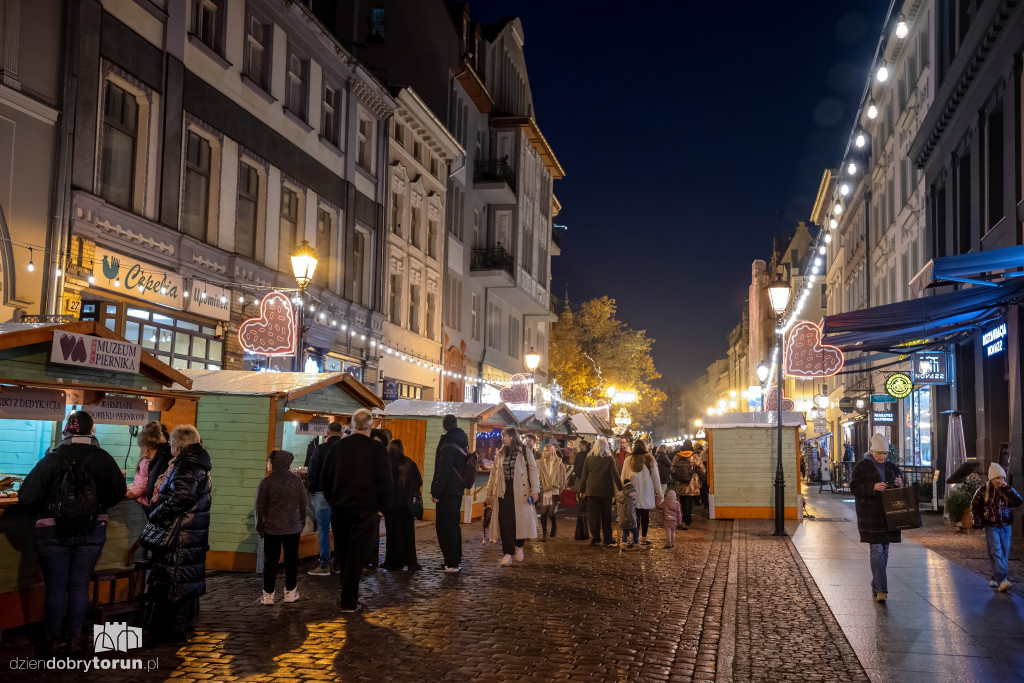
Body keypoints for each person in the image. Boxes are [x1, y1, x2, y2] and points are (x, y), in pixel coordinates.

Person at [19, 411, 126, 656]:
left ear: (67, 430)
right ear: (92, 431)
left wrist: (46, 509)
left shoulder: (52, 458)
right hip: (92, 529)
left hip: (51, 531)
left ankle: (52, 639)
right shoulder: (103, 458)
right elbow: (118, 491)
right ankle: (75, 637)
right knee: (78, 584)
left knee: (56, 585)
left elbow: (26, 496)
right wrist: (98, 505)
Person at [320, 408, 393, 612]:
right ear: (370, 426)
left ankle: (347, 598)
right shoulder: (377, 450)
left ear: (351, 425)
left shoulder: (337, 447)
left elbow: (325, 478)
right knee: (357, 555)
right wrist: (382, 509)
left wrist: (333, 500)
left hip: (341, 509)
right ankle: (349, 600)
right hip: (367, 511)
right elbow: (387, 482)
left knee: (343, 553)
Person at [145, 424, 212, 643]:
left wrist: (157, 514)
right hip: (189, 533)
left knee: (176, 583)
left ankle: (176, 631)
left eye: (173, 443)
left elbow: (182, 497)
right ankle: (180, 628)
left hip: (180, 534)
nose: (171, 447)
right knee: (183, 582)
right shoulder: (195, 464)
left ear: (179, 445)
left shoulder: (186, 465)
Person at [850, 433, 903, 602]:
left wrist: (899, 485)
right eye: (879, 453)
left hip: (889, 516)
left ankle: (875, 583)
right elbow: (854, 487)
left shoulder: (892, 467)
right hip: (870, 515)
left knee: (885, 551)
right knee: (877, 550)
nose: (882, 456)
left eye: (885, 454)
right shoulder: (861, 467)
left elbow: (902, 487)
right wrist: (872, 487)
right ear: (872, 451)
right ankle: (882, 590)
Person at [256, 450, 306, 605]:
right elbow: (303, 504)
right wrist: (301, 522)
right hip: (293, 528)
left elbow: (260, 507)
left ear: (275, 462)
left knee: (270, 562)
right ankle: (290, 592)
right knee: (291, 561)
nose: (268, 463)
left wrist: (260, 526)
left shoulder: (266, 482)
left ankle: (268, 595)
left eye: (270, 460)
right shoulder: (296, 481)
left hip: (272, 529)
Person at [484, 428, 540, 566]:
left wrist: (535, 490)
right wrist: (488, 494)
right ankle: (508, 553)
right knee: (505, 523)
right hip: (503, 492)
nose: (503, 438)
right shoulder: (501, 453)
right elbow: (493, 475)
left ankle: (519, 546)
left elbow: (533, 470)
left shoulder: (525, 451)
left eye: (505, 436)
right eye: (503, 436)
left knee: (520, 521)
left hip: (521, 491)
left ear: (511, 437)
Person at [971, 463, 1023, 592]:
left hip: (1006, 526)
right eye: (998, 478)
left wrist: (1009, 489)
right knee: (996, 550)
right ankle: (1003, 580)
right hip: (991, 526)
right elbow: (975, 507)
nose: (1001, 480)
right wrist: (977, 524)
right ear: (992, 478)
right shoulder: (983, 491)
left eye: (1003, 478)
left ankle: (996, 577)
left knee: (1004, 553)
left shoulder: (1006, 491)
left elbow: (1018, 501)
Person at [430, 414, 469, 572]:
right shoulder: (462, 440)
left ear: (444, 425)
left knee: (445, 527)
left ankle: (451, 563)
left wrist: (436, 492)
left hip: (446, 492)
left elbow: (443, 470)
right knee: (454, 526)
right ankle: (454, 560)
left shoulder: (448, 443)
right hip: (457, 490)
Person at [306, 421, 343, 576]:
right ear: (341, 433)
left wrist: (313, 489)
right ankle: (339, 563)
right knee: (340, 529)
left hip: (322, 494)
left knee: (323, 528)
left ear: (327, 433)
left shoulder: (320, 449)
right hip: (341, 495)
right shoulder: (345, 450)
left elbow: (312, 472)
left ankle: (324, 564)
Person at [382, 439, 423, 572]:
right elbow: (419, 481)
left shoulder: (388, 464)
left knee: (394, 534)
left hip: (392, 505)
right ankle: (411, 562)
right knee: (408, 534)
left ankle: (395, 562)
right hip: (407, 505)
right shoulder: (410, 463)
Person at [578, 438, 623, 548]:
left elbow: (584, 475)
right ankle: (608, 538)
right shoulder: (609, 459)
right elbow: (615, 474)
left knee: (594, 516)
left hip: (592, 490)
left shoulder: (589, 458)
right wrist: (621, 488)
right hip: (606, 491)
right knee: (606, 516)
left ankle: (596, 538)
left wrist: (582, 490)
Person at [620, 441, 663, 545]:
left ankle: (634, 538)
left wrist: (621, 490)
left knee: (633, 515)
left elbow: (623, 476)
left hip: (631, 491)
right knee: (645, 515)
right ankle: (643, 536)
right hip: (646, 491)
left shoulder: (628, 459)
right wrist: (659, 493)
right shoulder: (650, 459)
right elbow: (656, 478)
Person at [127, 421, 167, 509]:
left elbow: (144, 482)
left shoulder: (147, 463)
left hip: (148, 502)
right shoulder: (161, 457)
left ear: (145, 448)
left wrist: (133, 492)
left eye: (141, 448)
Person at [537, 444, 568, 541]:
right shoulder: (539, 463)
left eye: (547, 450)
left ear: (552, 451)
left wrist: (559, 490)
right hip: (544, 490)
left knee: (551, 512)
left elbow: (563, 479)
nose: (545, 452)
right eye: (544, 450)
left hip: (554, 491)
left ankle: (554, 526)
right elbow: (536, 477)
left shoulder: (559, 464)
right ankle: (544, 534)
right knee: (542, 512)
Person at [671, 441, 705, 529]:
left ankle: (684, 520)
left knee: (683, 501)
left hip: (680, 484)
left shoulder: (677, 456)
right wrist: (702, 480)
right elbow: (702, 470)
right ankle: (686, 521)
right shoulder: (695, 457)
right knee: (689, 502)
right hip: (692, 484)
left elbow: (672, 469)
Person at [617, 480, 640, 549]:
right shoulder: (630, 501)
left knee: (625, 533)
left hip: (623, 520)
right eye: (632, 492)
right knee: (635, 532)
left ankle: (623, 544)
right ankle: (636, 544)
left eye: (634, 491)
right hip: (629, 521)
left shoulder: (622, 500)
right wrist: (633, 522)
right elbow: (630, 512)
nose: (634, 493)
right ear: (628, 492)